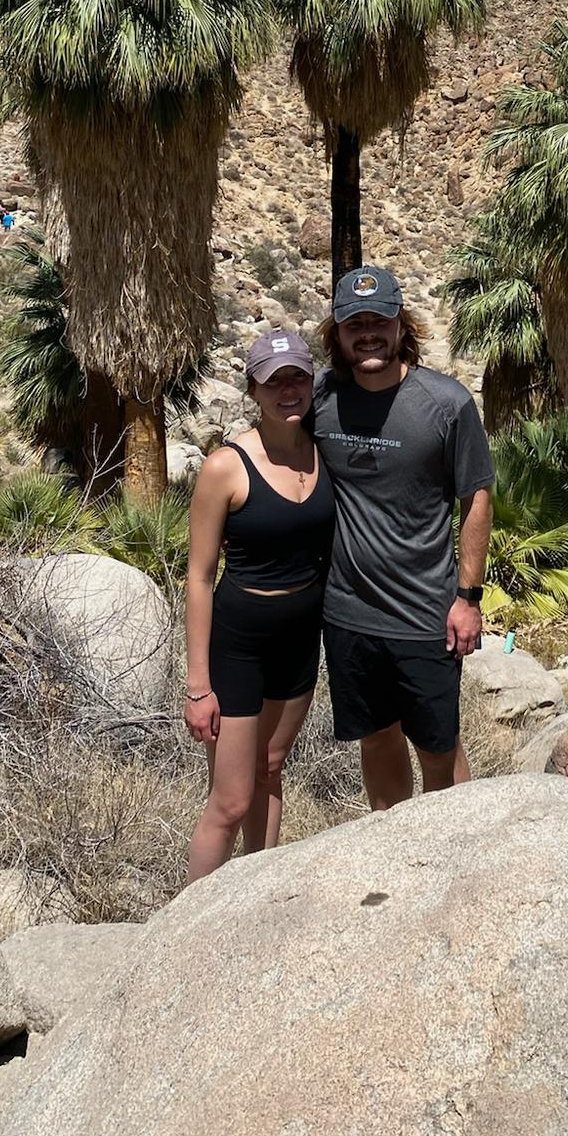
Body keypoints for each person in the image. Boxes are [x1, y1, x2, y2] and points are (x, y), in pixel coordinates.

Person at [314, 265, 494, 810]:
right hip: (348, 614)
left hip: (426, 614)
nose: (367, 333)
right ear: (338, 333)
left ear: (400, 326)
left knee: (437, 747)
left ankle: (452, 850)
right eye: (354, 323)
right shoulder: (320, 398)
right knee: (376, 737)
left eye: (379, 320)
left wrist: (468, 598)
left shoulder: (445, 403)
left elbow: (478, 498)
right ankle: (393, 846)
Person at [182, 329, 334, 883]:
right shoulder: (226, 465)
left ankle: (256, 901)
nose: (287, 390)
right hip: (240, 644)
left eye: (297, 377)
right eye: (274, 381)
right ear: (254, 388)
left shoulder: (324, 451)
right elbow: (198, 577)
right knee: (229, 801)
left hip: (300, 639)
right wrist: (199, 686)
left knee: (271, 770)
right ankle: (183, 933)